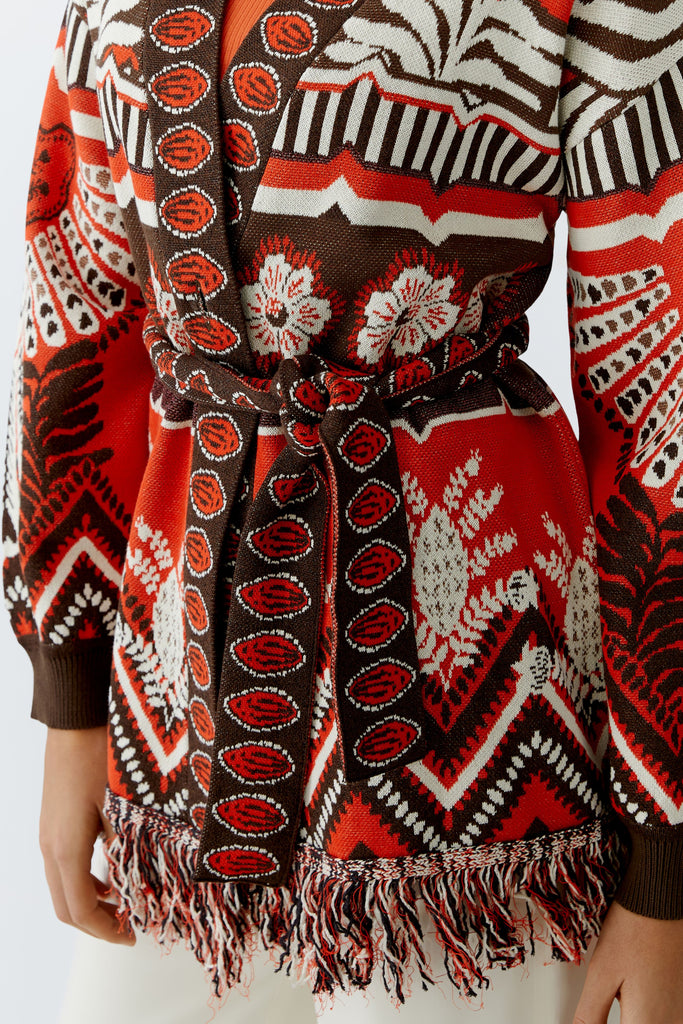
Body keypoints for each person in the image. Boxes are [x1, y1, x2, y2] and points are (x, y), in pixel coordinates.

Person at [4, 1, 682, 1023]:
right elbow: (79, 319)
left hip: (478, 746)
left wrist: (664, 863)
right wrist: (70, 700)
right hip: (176, 725)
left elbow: (658, 384)